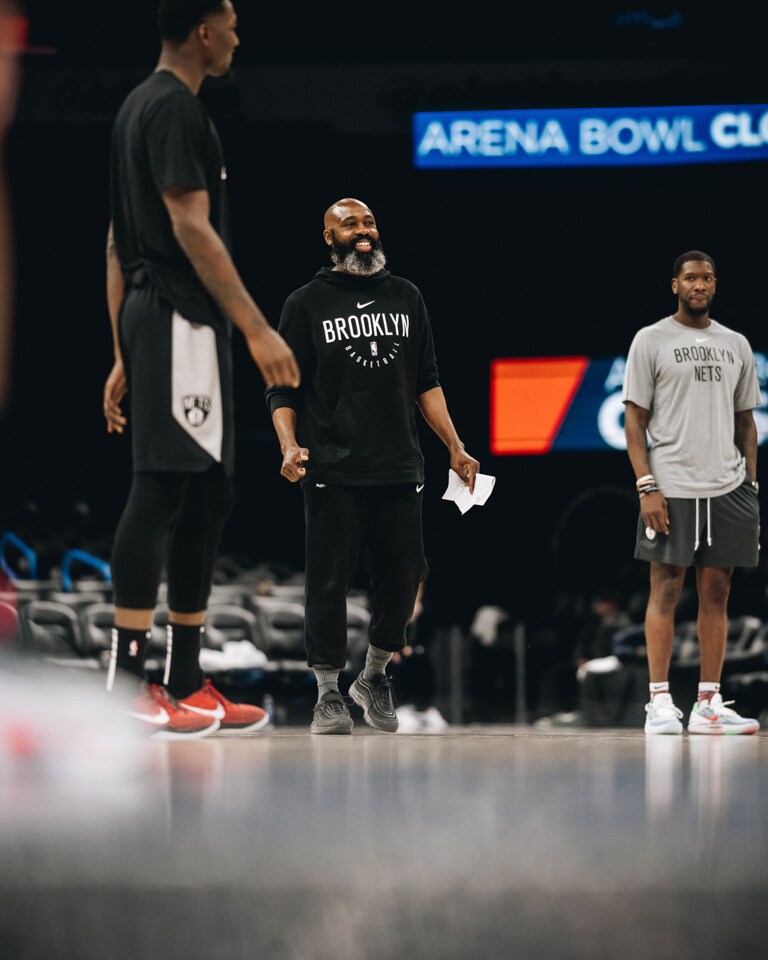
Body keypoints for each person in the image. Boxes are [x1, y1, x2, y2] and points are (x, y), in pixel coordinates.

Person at [103, 0, 300, 739]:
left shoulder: (141, 109)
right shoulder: (171, 108)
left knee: (209, 493)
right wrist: (256, 329)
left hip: (169, 323)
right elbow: (187, 226)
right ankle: (128, 683)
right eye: (234, 25)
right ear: (204, 31)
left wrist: (122, 347)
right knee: (160, 488)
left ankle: (185, 680)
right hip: (180, 317)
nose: (240, 38)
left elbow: (114, 244)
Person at [266, 197, 479, 735]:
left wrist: (454, 445)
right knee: (328, 584)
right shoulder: (305, 302)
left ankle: (375, 674)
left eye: (369, 222)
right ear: (328, 238)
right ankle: (327, 695)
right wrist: (289, 445)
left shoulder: (406, 296)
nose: (363, 231)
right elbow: (282, 389)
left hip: (399, 463)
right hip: (331, 466)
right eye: (349, 224)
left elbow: (426, 382)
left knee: (404, 579)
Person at [622, 250, 761, 736]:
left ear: (715, 285)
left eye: (706, 278)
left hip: (727, 486)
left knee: (718, 593)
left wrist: (751, 486)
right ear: (674, 285)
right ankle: (659, 701)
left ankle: (708, 702)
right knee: (665, 588)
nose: (698, 285)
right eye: (690, 278)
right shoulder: (652, 339)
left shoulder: (736, 343)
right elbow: (634, 421)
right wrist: (647, 487)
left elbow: (747, 424)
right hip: (671, 485)